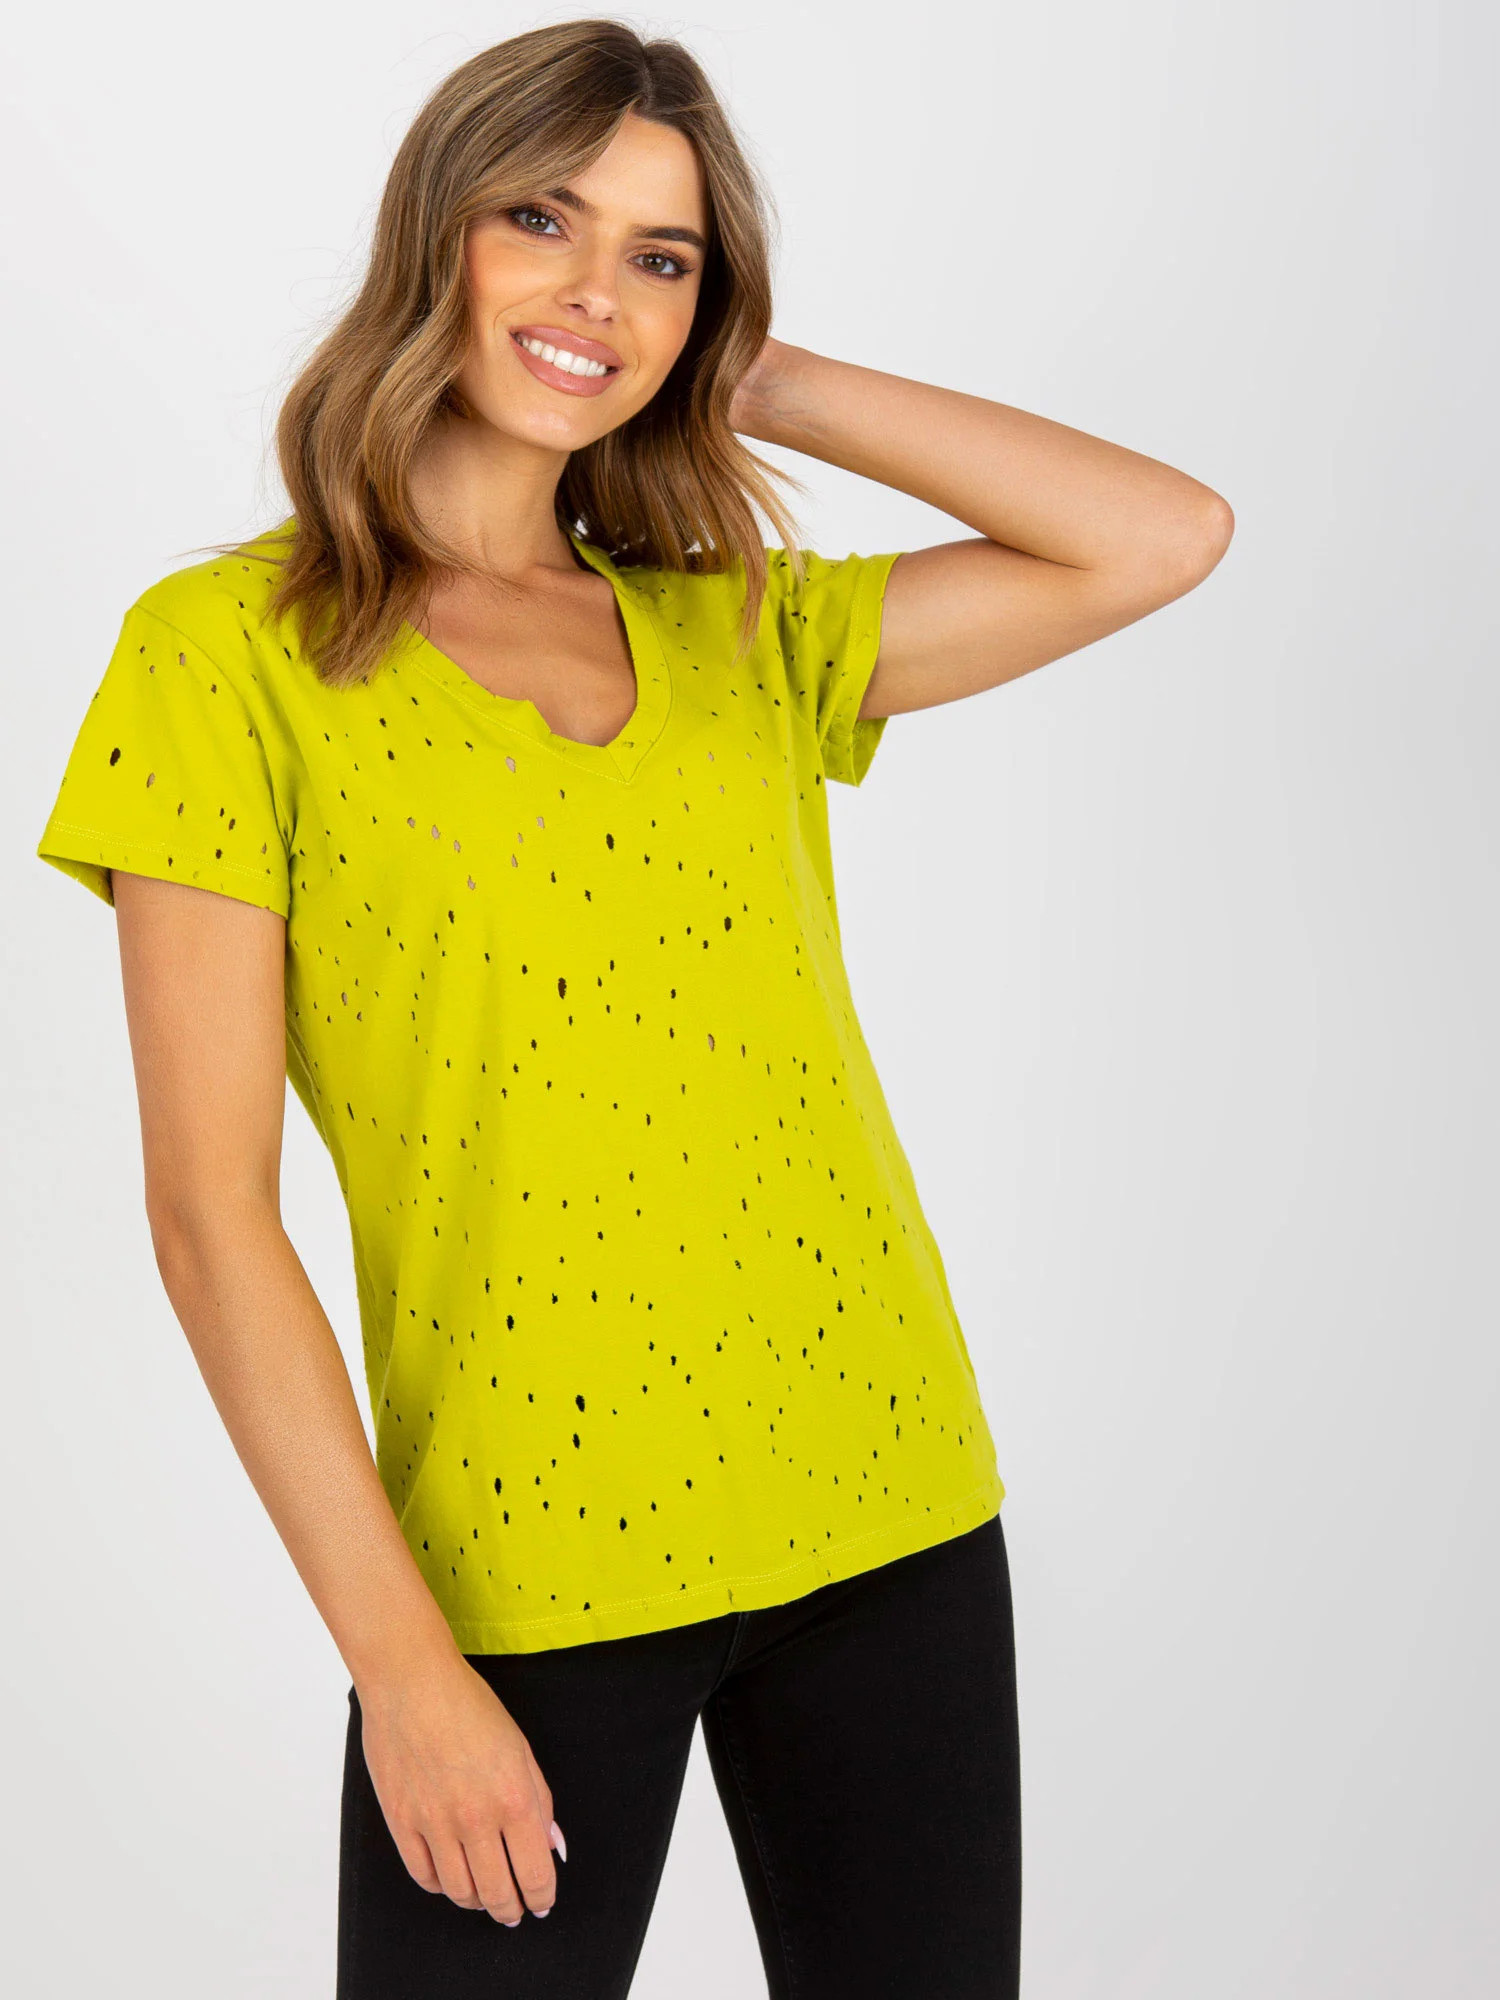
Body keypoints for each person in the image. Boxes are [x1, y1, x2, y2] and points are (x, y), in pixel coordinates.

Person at [35, 20, 1232, 1999]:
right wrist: (404, 1672)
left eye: (659, 255)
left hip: (889, 1508)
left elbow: (1159, 534)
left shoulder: (739, 627)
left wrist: (744, 361)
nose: (595, 289)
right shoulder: (225, 659)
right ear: (439, 234)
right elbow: (208, 1214)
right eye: (543, 220)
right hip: (522, 1576)